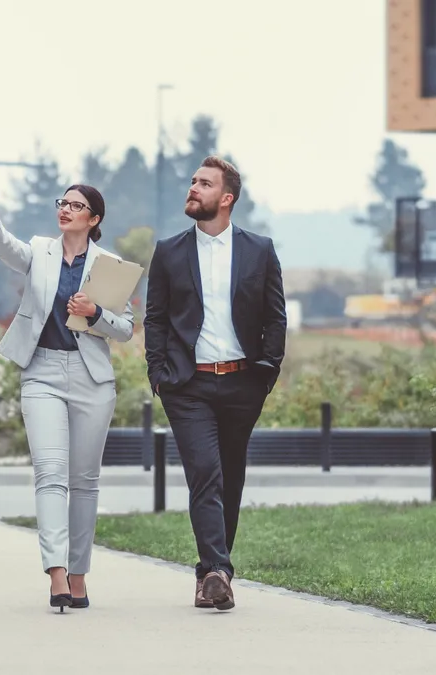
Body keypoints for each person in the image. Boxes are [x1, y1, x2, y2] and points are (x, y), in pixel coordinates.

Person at [0, 151, 135, 612]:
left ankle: (79, 577)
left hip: (91, 379)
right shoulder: (39, 250)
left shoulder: (110, 266)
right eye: (61, 202)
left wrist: (95, 313)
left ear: (93, 218)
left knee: (83, 482)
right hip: (40, 371)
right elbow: (1, 243)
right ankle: (56, 574)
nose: (64, 209)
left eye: (75, 205)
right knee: (50, 476)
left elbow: (125, 329)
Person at [143, 155, 287, 611]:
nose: (193, 188)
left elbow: (275, 316)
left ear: (226, 198)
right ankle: (220, 572)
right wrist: (159, 374)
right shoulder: (169, 251)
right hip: (188, 385)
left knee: (231, 477)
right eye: (192, 182)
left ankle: (209, 574)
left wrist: (267, 370)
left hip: (243, 382)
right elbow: (156, 319)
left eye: (203, 183)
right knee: (205, 474)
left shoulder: (259, 249)